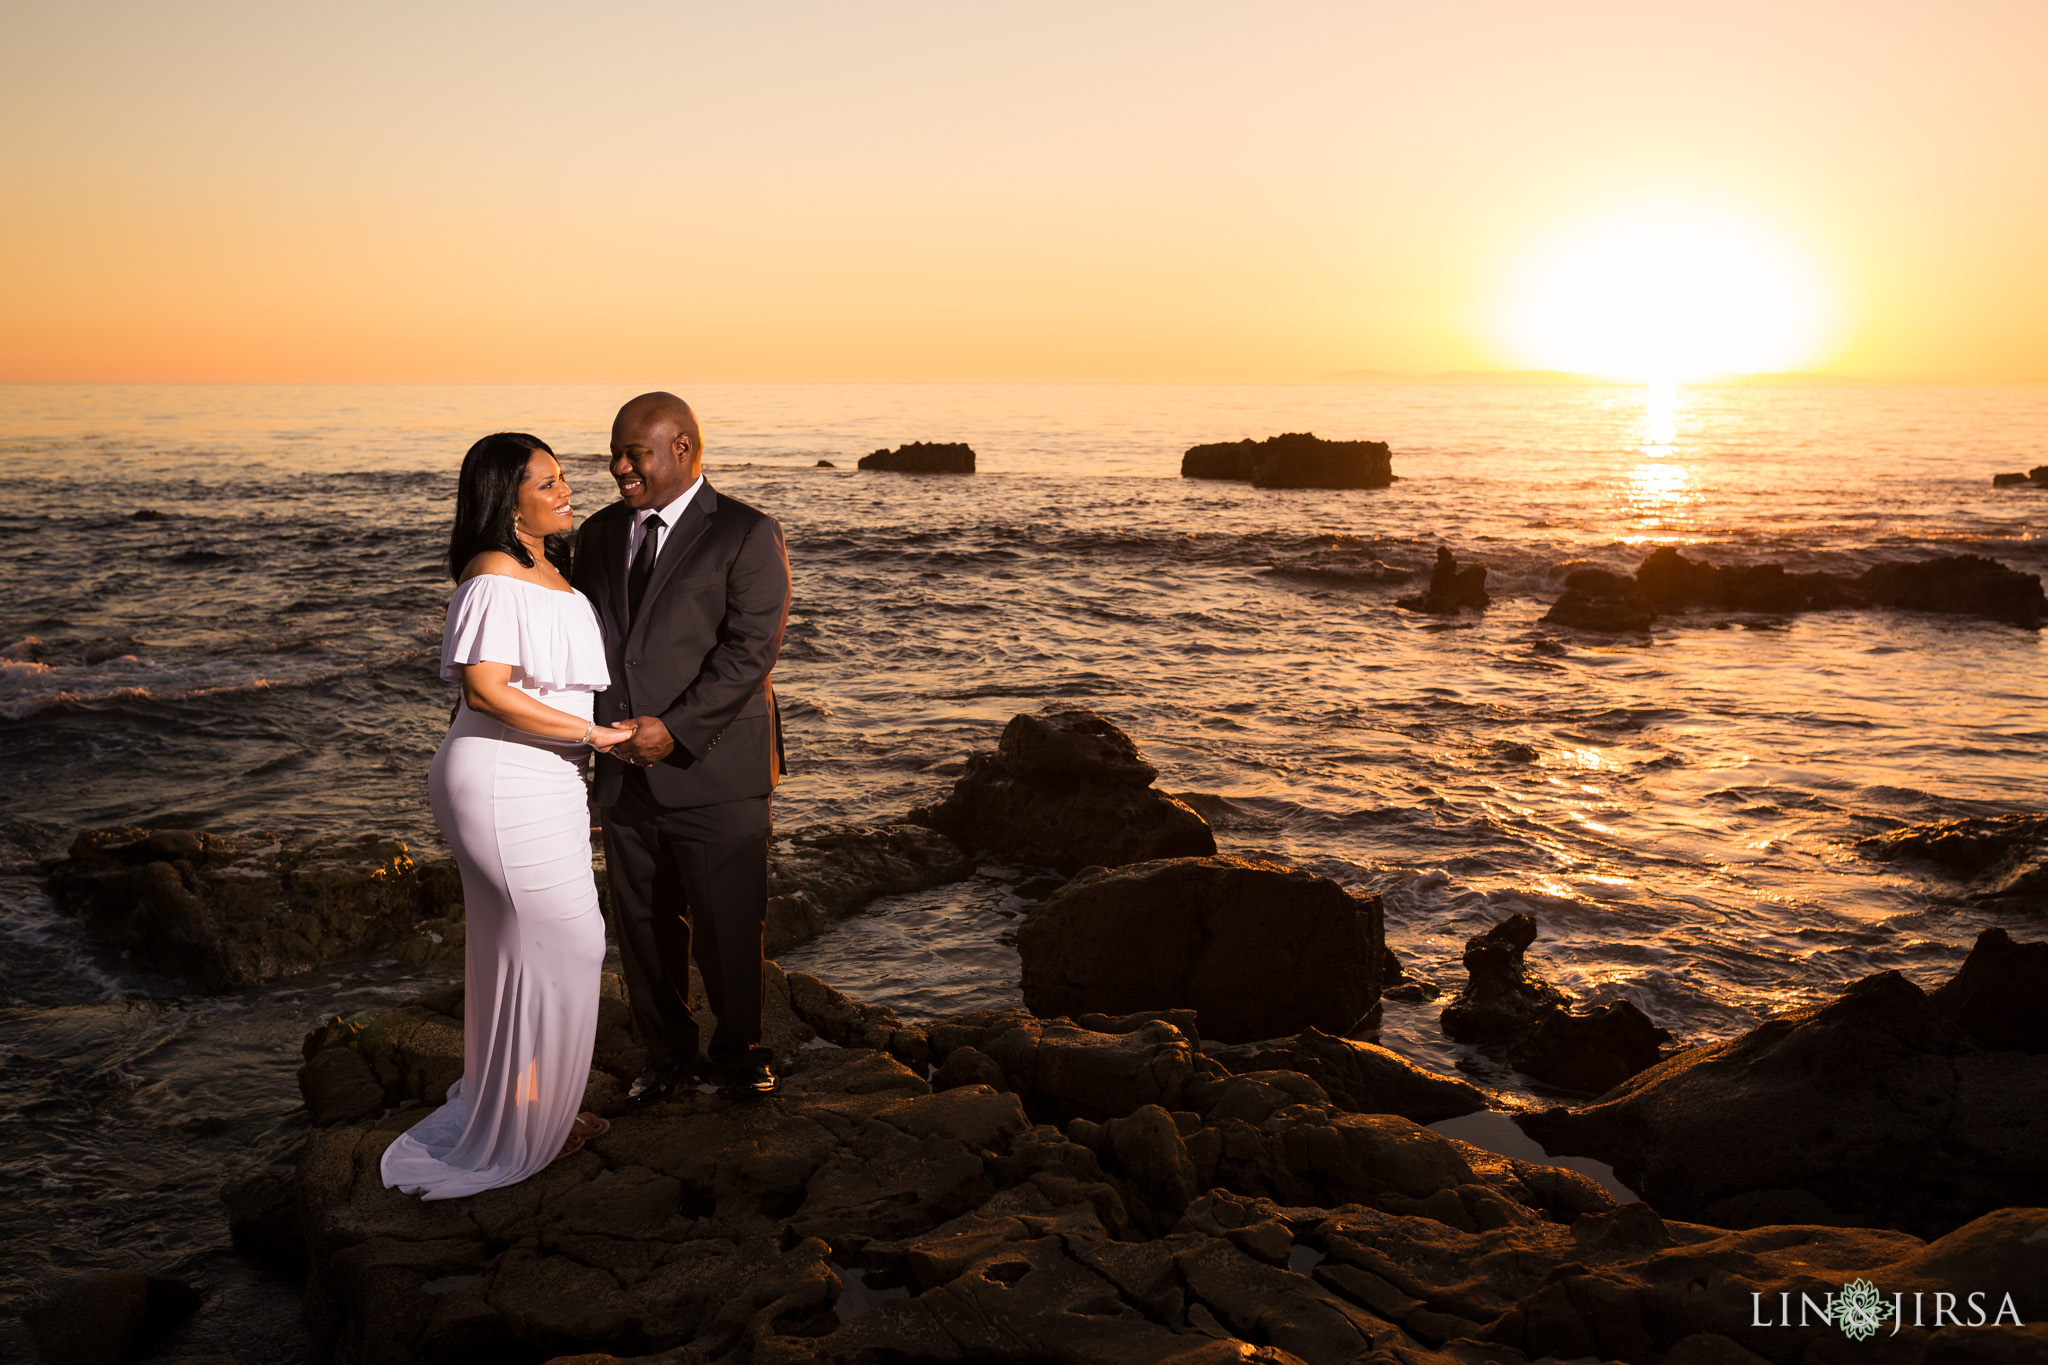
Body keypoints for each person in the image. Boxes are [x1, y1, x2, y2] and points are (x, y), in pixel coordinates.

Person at [381, 432, 636, 1201]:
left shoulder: (549, 570)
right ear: (507, 499)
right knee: (573, 939)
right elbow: (485, 690)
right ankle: (531, 1127)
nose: (566, 492)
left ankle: (524, 1112)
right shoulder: (493, 574)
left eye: (563, 479)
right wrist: (594, 735)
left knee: (516, 950)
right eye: (547, 483)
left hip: (546, 779)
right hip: (500, 776)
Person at [573, 392, 791, 1101]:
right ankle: (666, 1055)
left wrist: (676, 728)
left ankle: (739, 1054)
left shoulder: (746, 532)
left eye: (634, 452)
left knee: (729, 924)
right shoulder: (599, 534)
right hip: (623, 769)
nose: (618, 466)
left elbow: (750, 651)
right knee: (640, 925)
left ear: (684, 450)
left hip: (715, 767)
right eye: (615, 451)